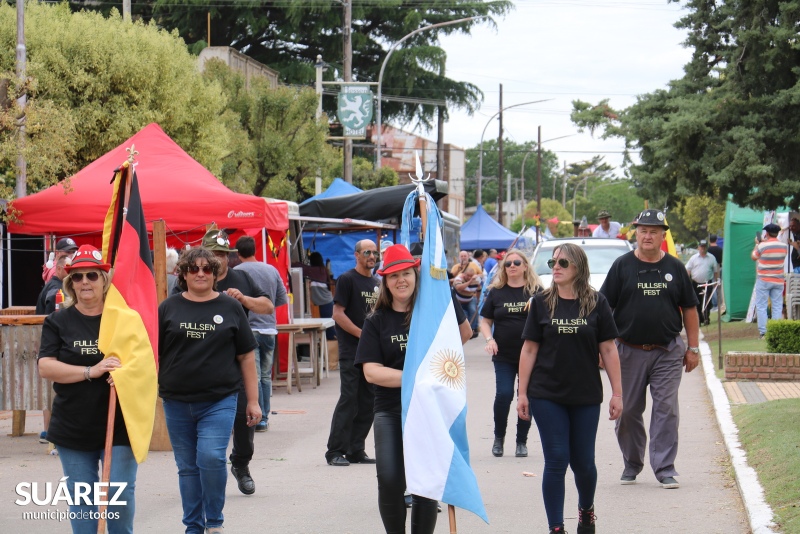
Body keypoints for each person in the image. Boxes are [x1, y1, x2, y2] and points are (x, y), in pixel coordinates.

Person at [356, 244, 472, 534]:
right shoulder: (376, 321)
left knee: (426, 482)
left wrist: (443, 361)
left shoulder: (433, 311)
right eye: (393, 276)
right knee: (390, 478)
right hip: (391, 410)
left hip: (429, 410)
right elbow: (371, 372)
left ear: (416, 274)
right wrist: (416, 376)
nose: (401, 281)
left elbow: (465, 332)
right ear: (385, 281)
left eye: (406, 273)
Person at [517, 243, 623, 534]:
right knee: (556, 458)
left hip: (585, 394)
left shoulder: (596, 302)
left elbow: (609, 350)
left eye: (563, 262)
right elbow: (528, 350)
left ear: (578, 266)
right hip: (546, 393)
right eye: (553, 262)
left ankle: (586, 511)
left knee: (583, 462)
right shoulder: (541, 302)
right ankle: (556, 527)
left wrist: (617, 393)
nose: (556, 267)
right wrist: (522, 393)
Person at [159, 247, 260, 534]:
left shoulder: (230, 307)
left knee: (211, 457)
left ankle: (214, 521)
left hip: (220, 398)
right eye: (194, 269)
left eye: (207, 269)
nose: (200, 273)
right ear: (183, 274)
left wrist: (253, 401)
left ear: (215, 274)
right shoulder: (168, 307)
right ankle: (193, 526)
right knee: (187, 467)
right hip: (176, 400)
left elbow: (246, 356)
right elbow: (154, 353)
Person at [38, 244, 137, 534]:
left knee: (119, 500)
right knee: (83, 502)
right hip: (73, 425)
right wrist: (90, 371)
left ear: (104, 280)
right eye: (78, 277)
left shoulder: (125, 319)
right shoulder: (58, 321)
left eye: (92, 276)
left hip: (120, 424)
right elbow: (46, 367)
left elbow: (145, 362)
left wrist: (126, 373)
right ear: (69, 283)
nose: (85, 282)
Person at [600, 209, 700, 490]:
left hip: (667, 350)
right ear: (636, 233)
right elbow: (605, 308)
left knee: (666, 408)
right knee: (629, 410)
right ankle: (632, 463)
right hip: (628, 350)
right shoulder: (622, 266)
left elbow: (690, 308)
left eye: (654, 231)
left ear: (662, 235)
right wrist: (601, 346)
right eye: (643, 230)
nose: (647, 235)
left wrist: (692, 348)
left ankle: (665, 467)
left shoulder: (676, 267)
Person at [479, 249, 543, 458]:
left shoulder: (537, 291)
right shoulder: (497, 292)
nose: (512, 266)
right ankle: (499, 438)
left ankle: (521, 442)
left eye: (517, 262)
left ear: (525, 266)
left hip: (531, 355)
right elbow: (485, 321)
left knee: (527, 397)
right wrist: (490, 339)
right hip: (504, 355)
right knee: (504, 394)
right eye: (508, 264)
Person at [325, 239, 380, 466]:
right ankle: (335, 450)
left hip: (373, 352)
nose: (372, 256)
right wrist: (362, 334)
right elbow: (337, 314)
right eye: (367, 252)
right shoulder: (347, 279)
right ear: (357, 255)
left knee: (368, 400)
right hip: (352, 350)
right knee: (349, 398)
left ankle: (356, 449)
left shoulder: (378, 283)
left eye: (375, 253)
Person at [234, 235, 288, 432]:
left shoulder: (236, 273)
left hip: (249, 330)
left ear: (238, 253)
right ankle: (265, 416)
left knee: (253, 375)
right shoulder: (271, 270)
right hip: (269, 329)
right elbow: (280, 300)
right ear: (255, 250)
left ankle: (257, 417)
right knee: (266, 376)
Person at [751, 223, 790, 339]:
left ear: (767, 233)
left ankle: (763, 332)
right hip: (778, 279)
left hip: (764, 279)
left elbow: (754, 256)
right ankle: (776, 331)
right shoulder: (783, 246)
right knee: (777, 305)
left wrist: (757, 244)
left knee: (762, 305)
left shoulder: (762, 246)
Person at [685, 239, 719, 326]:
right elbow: (688, 270)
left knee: (707, 301)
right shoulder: (693, 258)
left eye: (704, 247)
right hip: (696, 283)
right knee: (697, 302)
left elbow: (715, 271)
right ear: (698, 247)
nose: (703, 248)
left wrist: (716, 280)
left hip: (707, 283)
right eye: (701, 247)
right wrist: (686, 281)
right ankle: (699, 320)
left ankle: (706, 318)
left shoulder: (711, 258)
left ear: (707, 247)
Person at [306, 251, 336, 340]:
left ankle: (330, 350)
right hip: (326, 301)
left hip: (325, 302)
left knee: (329, 329)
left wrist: (295, 263)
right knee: (328, 327)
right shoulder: (321, 270)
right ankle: (328, 348)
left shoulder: (316, 271)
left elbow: (302, 268)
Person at [453, 265, 483, 335]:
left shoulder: (476, 280)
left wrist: (478, 300)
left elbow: (479, 290)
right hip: (458, 301)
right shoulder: (458, 279)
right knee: (464, 315)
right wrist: (469, 282)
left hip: (470, 299)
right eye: (468, 275)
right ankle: (464, 331)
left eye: (471, 276)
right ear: (464, 274)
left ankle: (473, 329)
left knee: (473, 310)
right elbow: (459, 288)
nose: (469, 277)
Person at [707, 235, 723, 308]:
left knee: (712, 285)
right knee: (718, 285)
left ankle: (715, 303)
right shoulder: (720, 249)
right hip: (718, 267)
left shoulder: (708, 250)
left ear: (709, 240)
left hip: (710, 268)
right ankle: (720, 301)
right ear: (716, 240)